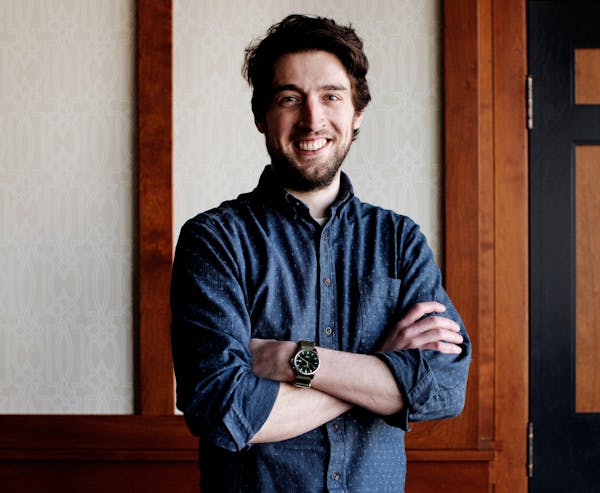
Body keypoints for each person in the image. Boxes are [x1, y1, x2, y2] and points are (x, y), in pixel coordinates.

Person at [171, 14, 471, 492]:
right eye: (290, 98)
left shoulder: (400, 240)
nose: (313, 119)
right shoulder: (214, 240)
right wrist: (381, 367)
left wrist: (296, 360)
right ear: (261, 117)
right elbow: (225, 411)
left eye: (331, 96)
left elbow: (442, 389)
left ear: (357, 114)